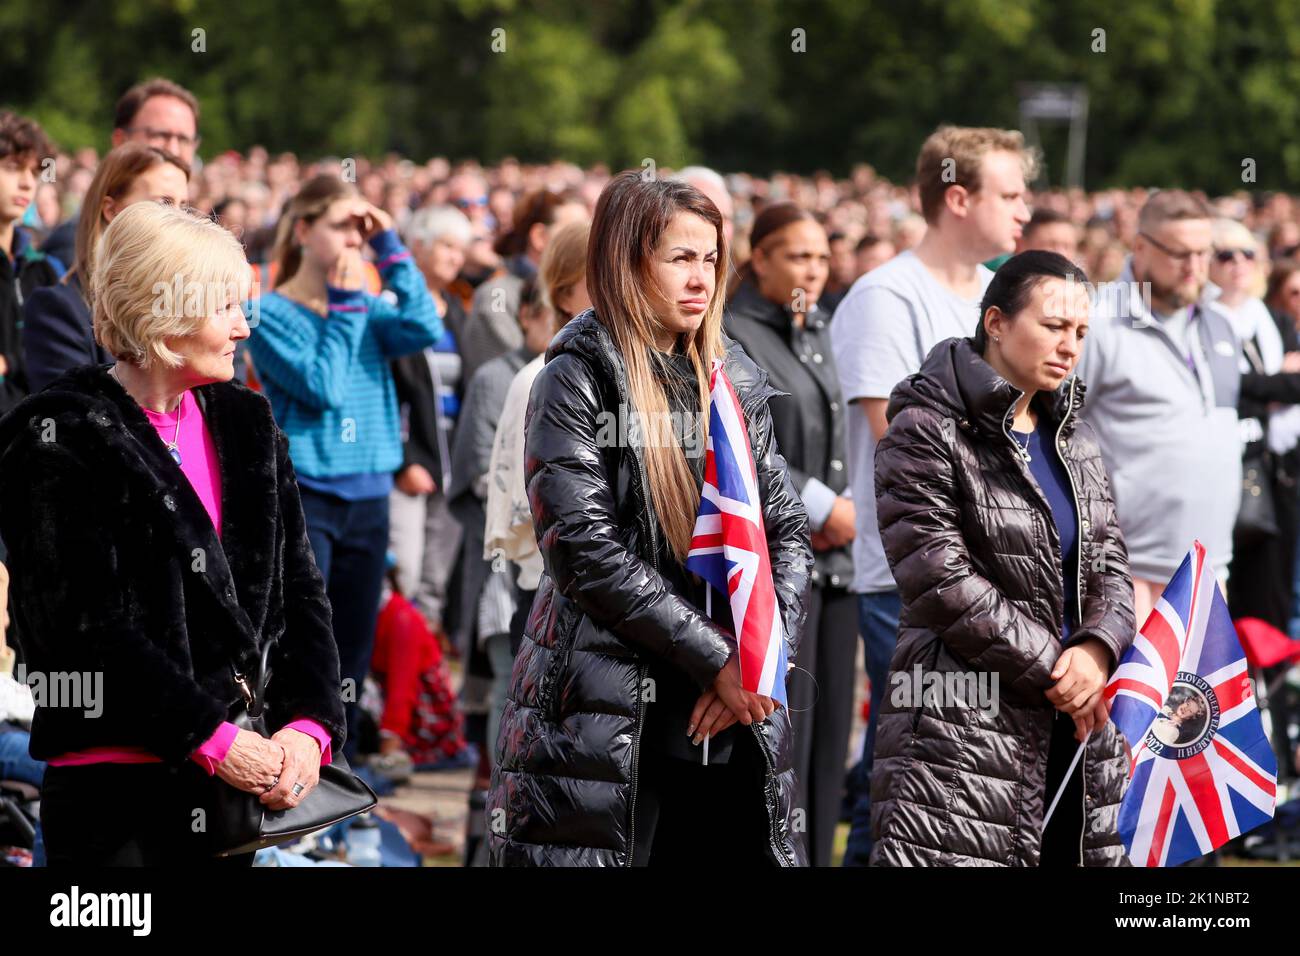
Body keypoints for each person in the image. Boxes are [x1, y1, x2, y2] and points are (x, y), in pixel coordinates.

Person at [0, 202, 344, 866]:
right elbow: (78, 628)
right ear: (168, 312)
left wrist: (310, 727)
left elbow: (302, 594)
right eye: (227, 309)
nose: (245, 327)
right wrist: (212, 739)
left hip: (238, 796)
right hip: (115, 793)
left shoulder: (246, 421)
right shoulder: (56, 436)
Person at [487, 169, 812, 867]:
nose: (701, 279)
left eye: (711, 259)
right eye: (679, 259)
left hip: (734, 712)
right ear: (627, 263)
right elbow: (584, 550)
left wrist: (753, 664)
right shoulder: (575, 377)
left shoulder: (733, 375)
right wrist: (717, 657)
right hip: (607, 706)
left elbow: (784, 531)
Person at [871, 251, 1136, 866]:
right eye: (1051, 326)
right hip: (962, 730)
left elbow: (1110, 563)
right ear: (995, 322)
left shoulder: (1071, 431)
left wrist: (1098, 649)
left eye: (1080, 332)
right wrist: (1062, 674)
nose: (1069, 346)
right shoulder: (925, 428)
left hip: (1078, 726)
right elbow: (939, 578)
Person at [830, 125, 1033, 865]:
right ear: (957, 197)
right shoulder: (886, 297)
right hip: (911, 582)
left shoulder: (994, 298)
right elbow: (902, 446)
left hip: (996, 577)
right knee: (914, 786)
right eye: (1010, 194)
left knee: (944, 785)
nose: (1026, 210)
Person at [249, 173, 442, 761]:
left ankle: (348, 761)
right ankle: (300, 762)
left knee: (355, 640)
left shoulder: (362, 306)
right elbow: (322, 386)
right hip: (308, 490)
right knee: (308, 639)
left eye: (362, 233)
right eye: (342, 227)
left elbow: (424, 327)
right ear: (303, 230)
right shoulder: (267, 313)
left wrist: (392, 249)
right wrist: (347, 304)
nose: (352, 243)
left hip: (369, 491)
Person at [723, 201, 856, 867]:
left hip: (839, 569)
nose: (814, 269)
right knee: (783, 748)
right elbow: (740, 440)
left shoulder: (822, 329)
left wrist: (852, 502)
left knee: (830, 745)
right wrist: (819, 503)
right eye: (798, 256)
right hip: (777, 568)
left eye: (823, 257)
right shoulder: (733, 333)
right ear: (760, 260)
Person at [1075, 190, 1242, 628]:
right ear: (1142, 247)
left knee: (1200, 698)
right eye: (1180, 254)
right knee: (1136, 698)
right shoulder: (1099, 320)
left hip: (1211, 565)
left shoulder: (1219, 319)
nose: (1195, 267)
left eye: (1205, 253)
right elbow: (1059, 430)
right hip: (1129, 572)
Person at [24, 143, 190, 392]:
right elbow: (70, 415)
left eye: (184, 205)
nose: (180, 218)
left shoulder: (190, 299)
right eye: (164, 203)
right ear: (111, 210)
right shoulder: (59, 309)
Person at [387, 205, 473, 640]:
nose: (455, 257)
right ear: (417, 247)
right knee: (405, 572)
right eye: (445, 245)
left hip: (452, 461)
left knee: (435, 583)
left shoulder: (458, 311)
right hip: (410, 463)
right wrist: (404, 460)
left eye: (461, 249)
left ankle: (425, 684)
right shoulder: (392, 306)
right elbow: (383, 390)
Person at [40, 77, 200, 268]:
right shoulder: (69, 252)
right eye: (160, 135)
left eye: (184, 139)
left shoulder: (199, 256)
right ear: (120, 141)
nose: (173, 149)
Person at [460, 189, 587, 383]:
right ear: (539, 237)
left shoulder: (581, 291)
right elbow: (506, 378)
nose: (587, 243)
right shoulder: (497, 295)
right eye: (573, 232)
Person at [0, 111, 63, 419]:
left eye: (34, 172)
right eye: (13, 168)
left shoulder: (44, 269)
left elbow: (60, 360)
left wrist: (10, 362)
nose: (27, 183)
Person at [1016, 208, 1081, 265]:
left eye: (1067, 246)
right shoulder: (1008, 277)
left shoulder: (1071, 276)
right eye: (1051, 245)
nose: (1061, 253)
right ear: (1022, 245)